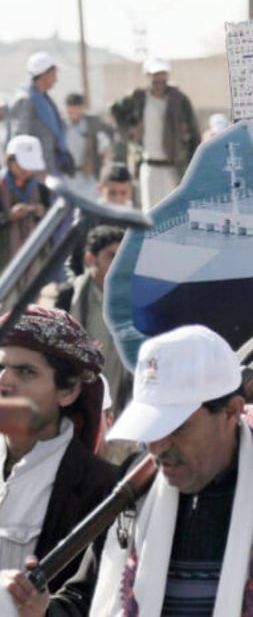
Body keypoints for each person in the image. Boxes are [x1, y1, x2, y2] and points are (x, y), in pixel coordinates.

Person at [1, 324, 253, 616]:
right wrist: (42, 610)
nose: (159, 447)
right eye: (152, 430)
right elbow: (91, 600)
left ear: (230, 412)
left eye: (178, 427)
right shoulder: (138, 484)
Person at [0, 305, 119, 592]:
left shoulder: (102, 489)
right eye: (0, 367)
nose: (4, 381)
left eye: (26, 372)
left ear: (68, 391)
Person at [59, 225, 133, 446]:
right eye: (111, 255)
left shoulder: (133, 297)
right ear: (91, 258)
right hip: (79, 402)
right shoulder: (70, 296)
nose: (119, 261)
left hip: (122, 401)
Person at [111, 57, 200, 211]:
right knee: (150, 212)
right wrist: (131, 130)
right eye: (155, 75)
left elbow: (194, 133)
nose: (159, 79)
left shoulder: (179, 100)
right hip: (148, 164)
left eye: (162, 74)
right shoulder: (139, 99)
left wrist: (193, 164)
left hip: (174, 166)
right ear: (148, 76)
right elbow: (115, 111)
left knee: (173, 212)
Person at [0, 135, 50, 304]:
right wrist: (7, 217)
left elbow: (49, 223)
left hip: (32, 261)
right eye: (20, 164)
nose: (25, 170)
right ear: (10, 161)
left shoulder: (41, 189)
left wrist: (40, 213)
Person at [9, 52, 74, 177]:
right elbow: (20, 139)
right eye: (54, 74)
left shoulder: (45, 101)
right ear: (45, 74)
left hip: (49, 168)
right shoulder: (26, 100)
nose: (56, 79)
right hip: (34, 173)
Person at [63, 93, 112, 202]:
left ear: (81, 108)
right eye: (70, 111)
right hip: (68, 175)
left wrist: (105, 149)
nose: (73, 114)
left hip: (88, 173)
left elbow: (102, 137)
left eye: (75, 110)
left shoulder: (91, 123)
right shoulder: (62, 126)